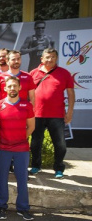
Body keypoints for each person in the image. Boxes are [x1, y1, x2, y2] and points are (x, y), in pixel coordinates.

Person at [0, 76, 35, 221]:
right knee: (2, 178)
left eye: (14, 86)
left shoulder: (27, 105)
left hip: (21, 149)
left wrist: (21, 138)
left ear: (19, 88)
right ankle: (1, 206)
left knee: (22, 179)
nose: (12, 88)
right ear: (4, 89)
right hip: (3, 149)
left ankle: (23, 208)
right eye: (9, 86)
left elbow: (31, 126)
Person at [29, 48, 75, 179]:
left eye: (53, 57)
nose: (50, 59)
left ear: (57, 58)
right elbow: (28, 94)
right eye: (47, 57)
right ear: (42, 59)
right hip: (36, 114)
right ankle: (36, 166)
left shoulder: (64, 73)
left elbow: (71, 94)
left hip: (57, 115)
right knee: (36, 143)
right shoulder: (33, 73)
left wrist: (70, 112)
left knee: (60, 143)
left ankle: (59, 168)